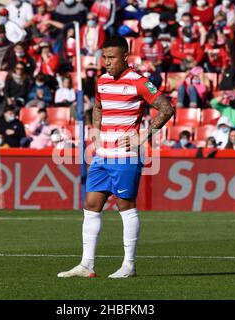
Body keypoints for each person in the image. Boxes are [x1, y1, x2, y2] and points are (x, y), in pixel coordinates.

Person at [57, 35, 174, 279]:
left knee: (125, 207)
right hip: (102, 155)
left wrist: (143, 137)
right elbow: (98, 107)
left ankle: (129, 266)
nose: (106, 62)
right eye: (104, 57)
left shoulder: (140, 82)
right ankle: (86, 265)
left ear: (125, 56)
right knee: (91, 206)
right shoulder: (101, 81)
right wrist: (96, 131)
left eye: (111, 57)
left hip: (125, 156)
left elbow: (167, 108)